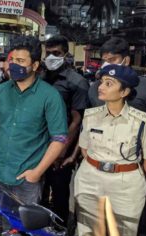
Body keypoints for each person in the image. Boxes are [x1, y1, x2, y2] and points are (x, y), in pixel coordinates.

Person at [0, 36, 68, 234]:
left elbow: (60, 139)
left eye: (21, 61)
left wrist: (37, 172)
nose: (13, 65)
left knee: (21, 235)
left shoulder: (49, 96)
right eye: (12, 60)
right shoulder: (0, 91)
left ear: (35, 65)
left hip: (27, 181)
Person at [75, 64, 146, 236]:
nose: (101, 87)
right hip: (90, 179)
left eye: (109, 83)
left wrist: (129, 175)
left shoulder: (143, 121)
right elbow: (85, 149)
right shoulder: (90, 116)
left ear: (124, 91)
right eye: (101, 82)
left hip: (126, 185)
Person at [41, 35, 89, 225]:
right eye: (48, 53)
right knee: (38, 192)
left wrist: (61, 151)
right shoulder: (41, 76)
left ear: (65, 54)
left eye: (56, 53)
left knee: (59, 192)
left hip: (62, 148)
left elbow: (77, 121)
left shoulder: (76, 82)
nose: (51, 57)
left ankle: (60, 234)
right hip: (39, 145)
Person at [88, 37, 146, 129]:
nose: (107, 64)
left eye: (112, 60)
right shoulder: (95, 88)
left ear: (126, 61)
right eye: (104, 61)